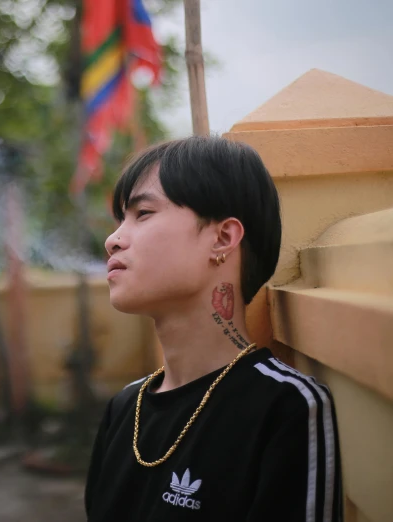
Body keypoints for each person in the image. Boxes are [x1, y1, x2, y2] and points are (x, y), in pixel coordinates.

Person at [85, 136, 342, 521]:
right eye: (120, 220)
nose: (113, 240)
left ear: (222, 237)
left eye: (143, 214)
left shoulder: (285, 406)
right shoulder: (124, 407)